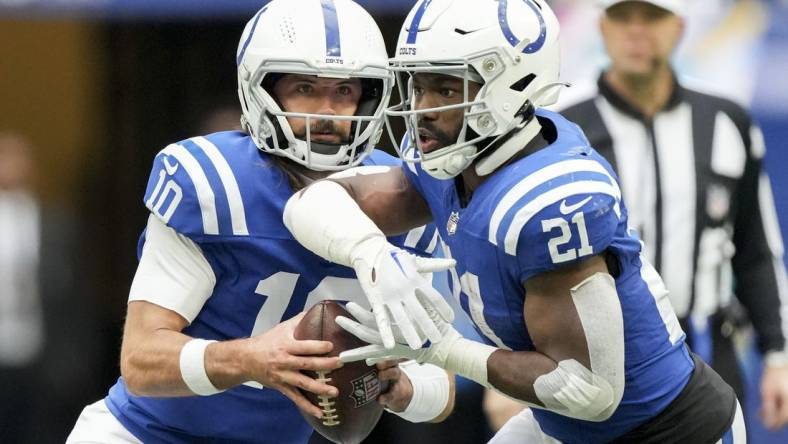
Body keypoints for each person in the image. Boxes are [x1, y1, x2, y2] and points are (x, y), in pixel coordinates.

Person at [283, 0, 747, 441]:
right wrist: (373, 255)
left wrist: (440, 349)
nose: (422, 108)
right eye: (418, 85)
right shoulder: (458, 156)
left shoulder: (549, 201)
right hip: (566, 427)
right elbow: (314, 203)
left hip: (665, 430)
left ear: (513, 87)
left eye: (445, 88)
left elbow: (590, 391)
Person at [67, 1, 455, 442]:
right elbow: (141, 360)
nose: (327, 112)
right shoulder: (217, 186)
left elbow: (441, 386)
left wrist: (398, 385)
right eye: (305, 88)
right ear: (260, 90)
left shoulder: (406, 196)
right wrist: (253, 358)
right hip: (143, 435)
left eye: (344, 91)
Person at [556, 0, 788, 431]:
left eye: (652, 17)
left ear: (679, 27)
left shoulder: (726, 121)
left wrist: (778, 355)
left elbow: (756, 249)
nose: (637, 31)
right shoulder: (564, 131)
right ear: (602, 28)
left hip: (706, 349)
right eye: (623, 17)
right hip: (599, 360)